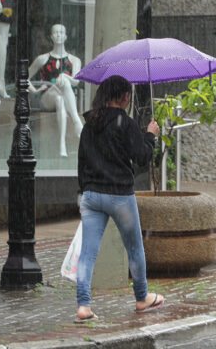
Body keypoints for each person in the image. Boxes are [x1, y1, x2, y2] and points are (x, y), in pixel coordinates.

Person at [76, 75, 164, 322]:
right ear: (125, 97)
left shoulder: (89, 123)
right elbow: (142, 157)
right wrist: (150, 134)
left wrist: (82, 194)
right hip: (119, 196)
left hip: (92, 195)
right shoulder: (126, 124)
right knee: (134, 248)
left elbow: (81, 162)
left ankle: (83, 306)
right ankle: (142, 297)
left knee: (88, 253)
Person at [28, 24, 83, 157]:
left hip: (63, 98)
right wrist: (34, 90)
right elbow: (24, 77)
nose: (58, 34)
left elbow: (76, 81)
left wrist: (64, 76)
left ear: (65, 36)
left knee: (61, 96)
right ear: (51, 36)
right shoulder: (43, 58)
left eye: (61, 32)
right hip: (47, 96)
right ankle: (76, 121)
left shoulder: (74, 60)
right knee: (62, 88)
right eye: (56, 32)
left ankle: (62, 144)